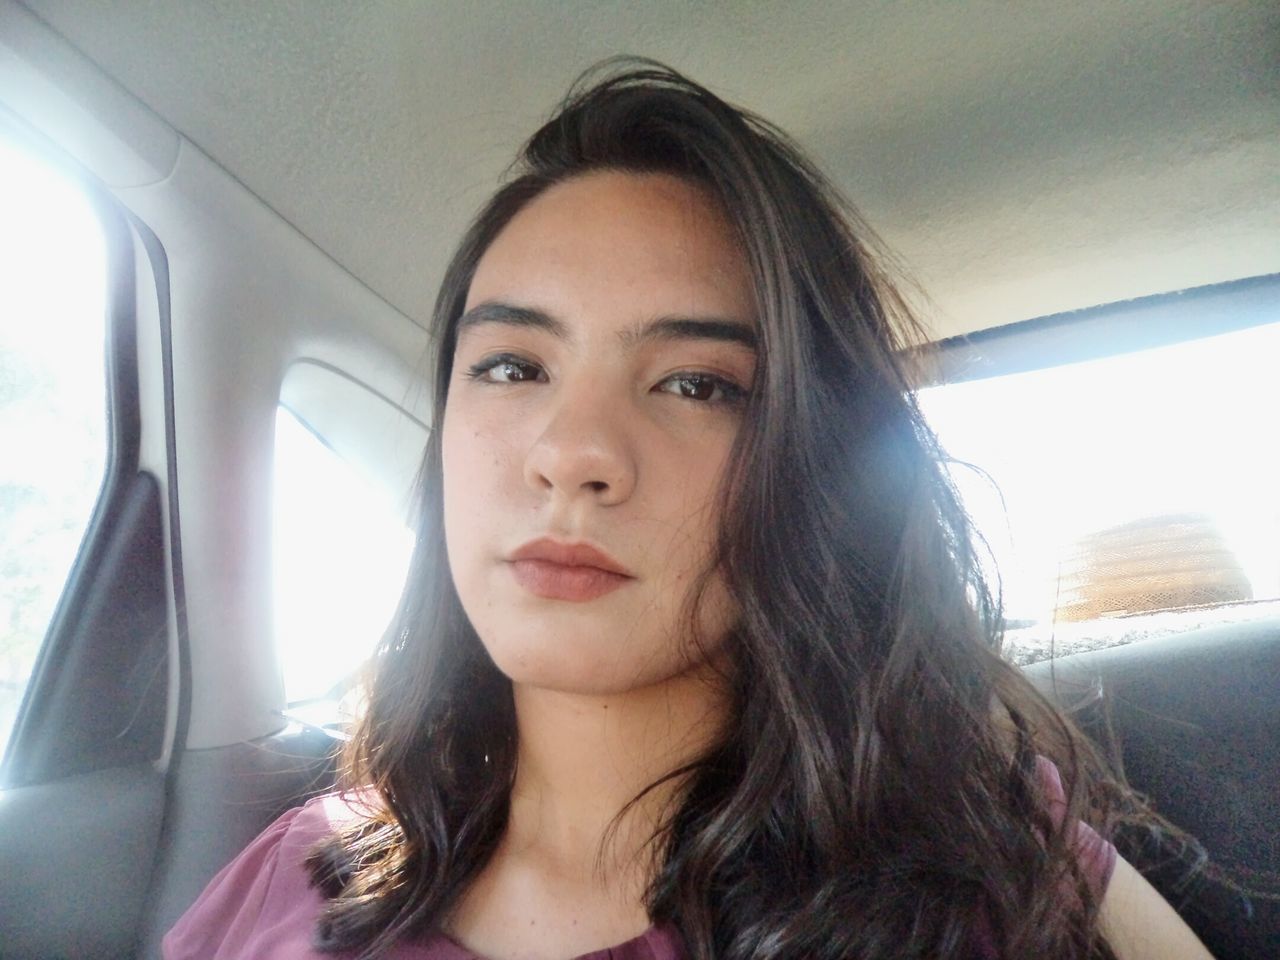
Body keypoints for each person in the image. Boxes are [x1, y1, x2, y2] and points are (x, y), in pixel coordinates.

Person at [164, 61, 1215, 960]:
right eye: (513, 365)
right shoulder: (285, 883)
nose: (572, 454)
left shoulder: (984, 859)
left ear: (810, 467)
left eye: (696, 385)